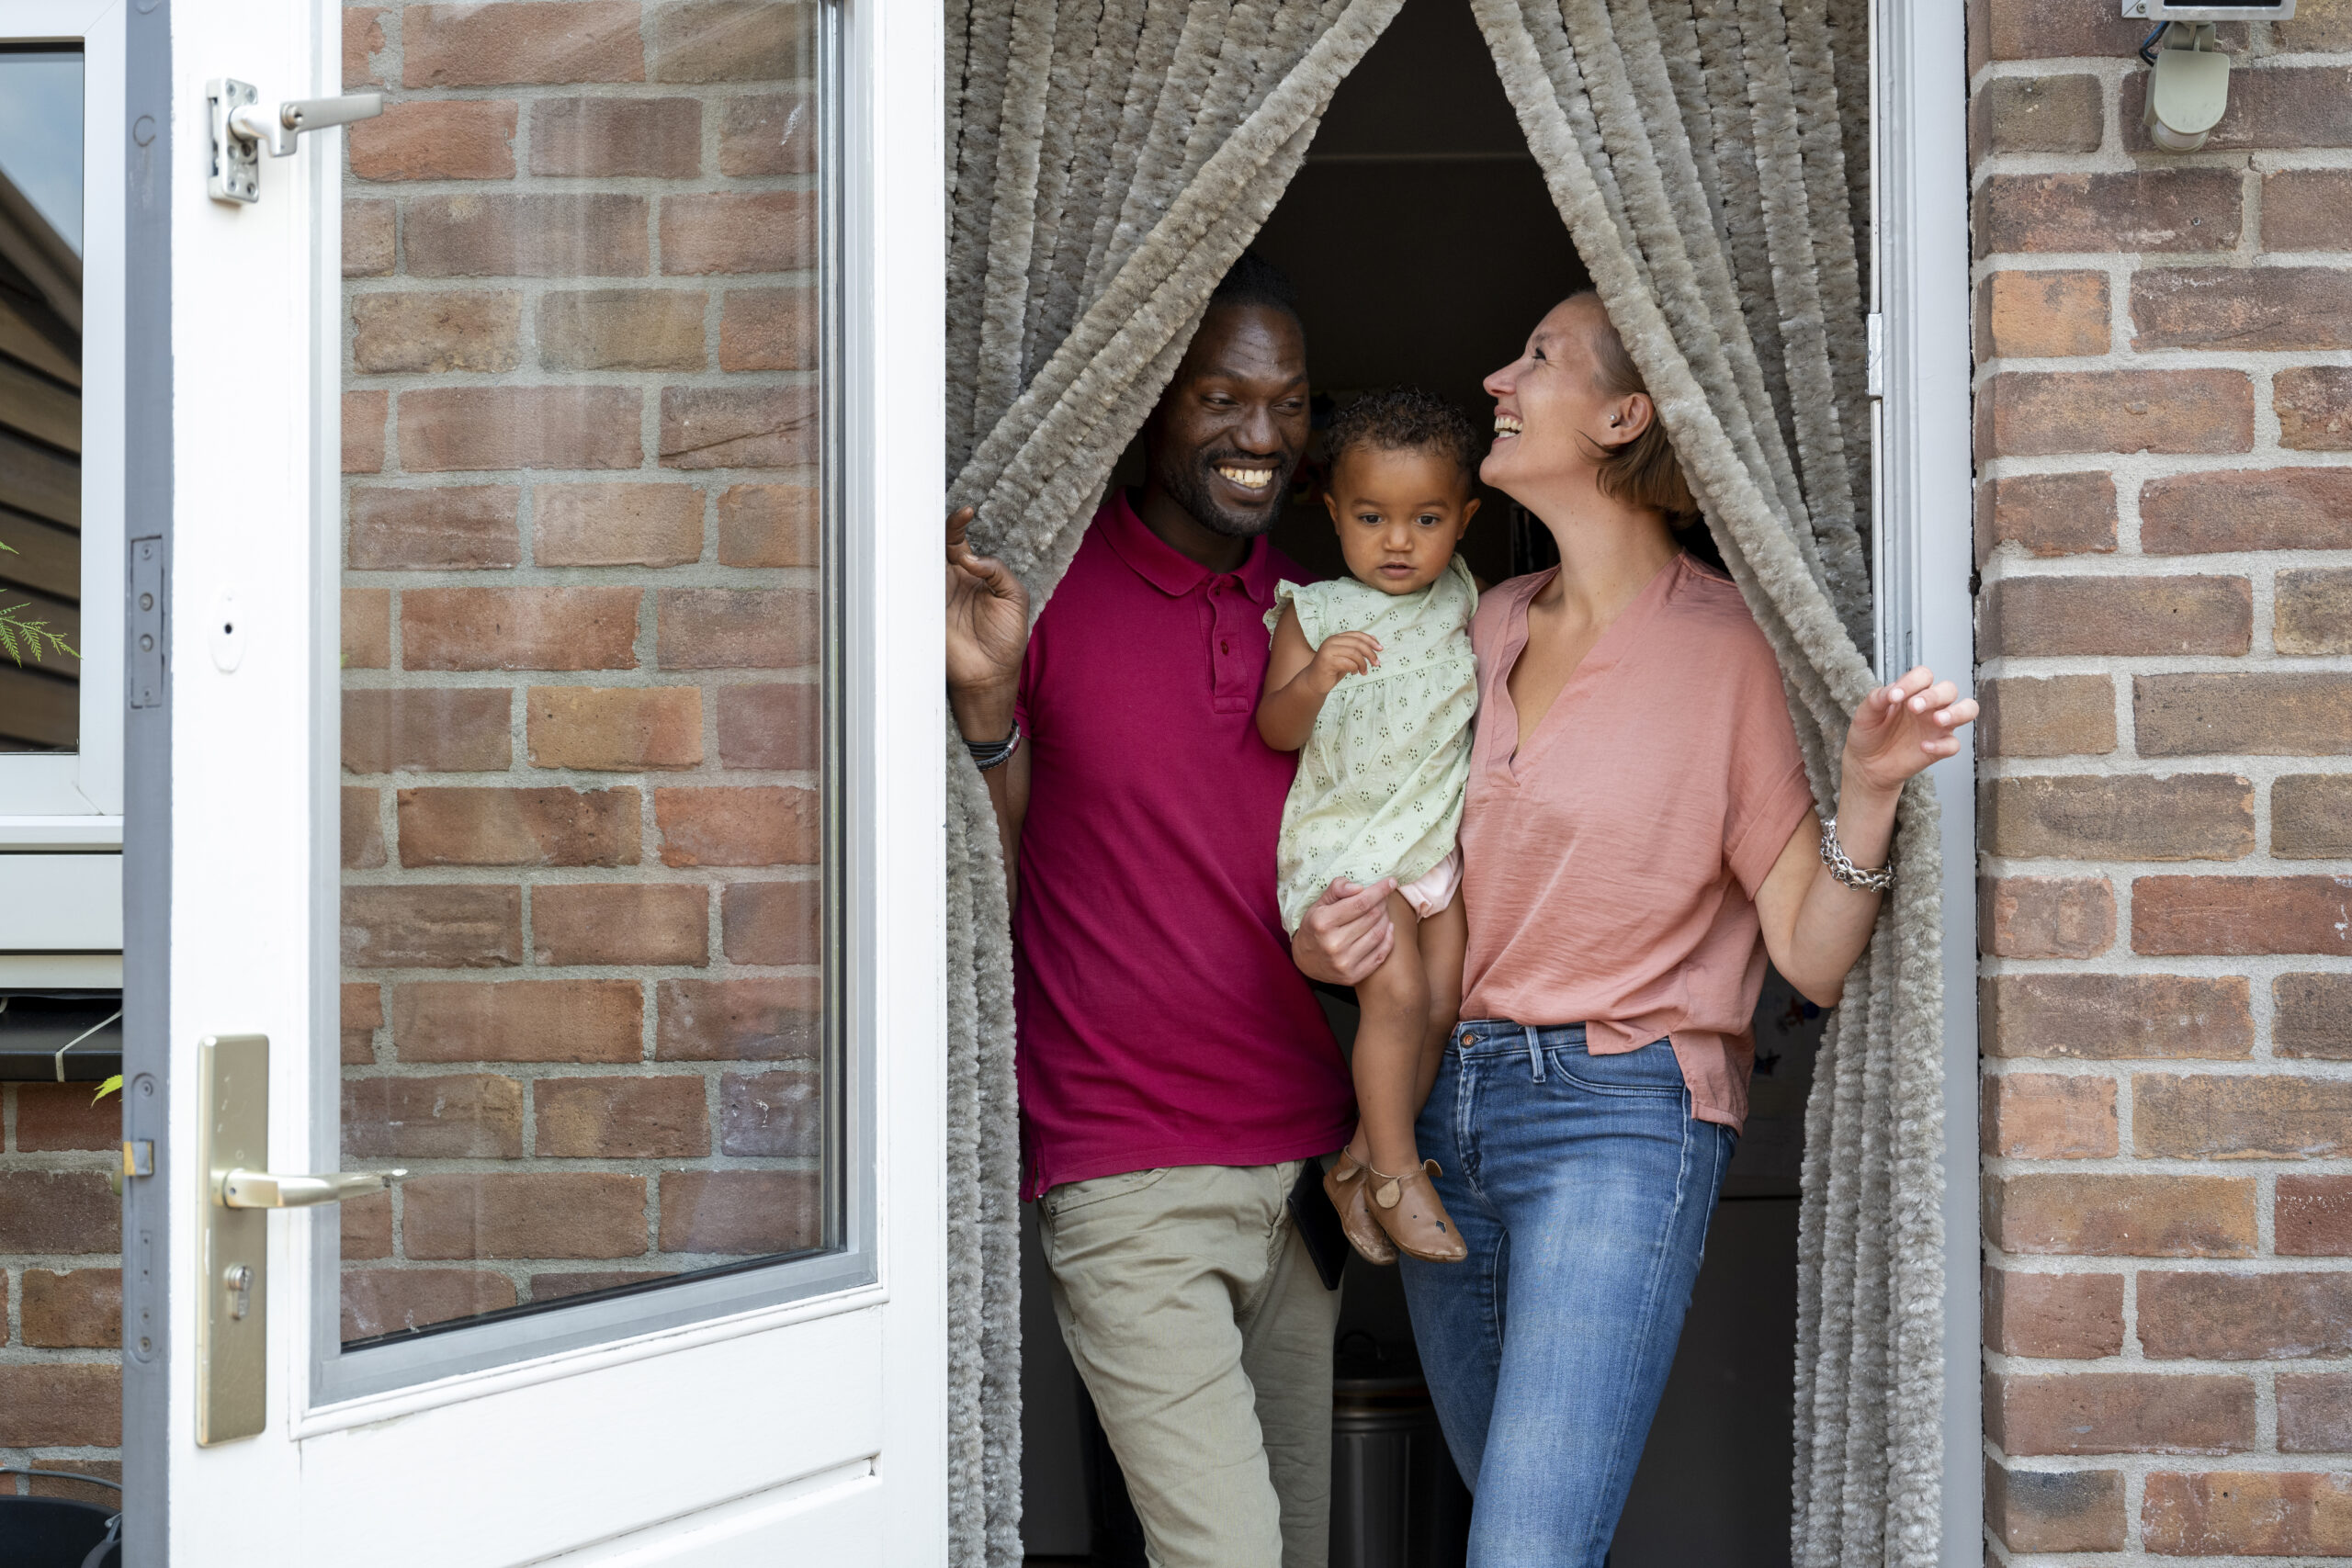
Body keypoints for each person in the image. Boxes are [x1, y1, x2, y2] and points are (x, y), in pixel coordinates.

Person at [1291, 291, 1977, 1565]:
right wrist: (1323, 945)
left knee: (1525, 1548)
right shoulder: (1478, 621)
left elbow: (1810, 953)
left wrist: (1872, 787)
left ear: (1626, 412)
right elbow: (1386, 850)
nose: (1497, 375)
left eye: (1538, 357)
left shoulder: (1730, 650)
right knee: (1517, 1528)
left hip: (1620, 1117)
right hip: (1445, 1116)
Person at [943, 254, 1356, 1568]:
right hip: (1126, 1166)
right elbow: (981, 886)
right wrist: (991, 710)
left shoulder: (1318, 613)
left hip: (1306, 1179)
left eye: (1288, 404)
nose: (1261, 435)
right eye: (1222, 397)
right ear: (1151, 401)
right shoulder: (1044, 600)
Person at [1254, 389, 1481, 1267]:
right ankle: (1395, 1173)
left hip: (1432, 847)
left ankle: (1352, 1160)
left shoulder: (1462, 595)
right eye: (1372, 516)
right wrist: (1317, 678)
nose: (1398, 540)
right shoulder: (1312, 613)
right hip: (1348, 849)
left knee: (1445, 1001)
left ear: (1463, 520)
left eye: (1426, 518)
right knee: (1393, 996)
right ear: (1334, 513)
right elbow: (1276, 727)